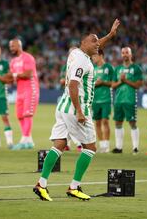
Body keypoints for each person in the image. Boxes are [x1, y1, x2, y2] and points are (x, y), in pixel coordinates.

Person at [33, 19, 120, 201]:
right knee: (90, 147)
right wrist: (80, 111)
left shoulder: (75, 53)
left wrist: (110, 36)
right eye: (93, 41)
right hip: (76, 107)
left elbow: (95, 46)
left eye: (98, 41)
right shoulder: (83, 62)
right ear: (83, 43)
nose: (97, 44)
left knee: (59, 145)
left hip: (63, 105)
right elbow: (73, 84)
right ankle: (74, 186)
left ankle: (41, 184)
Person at [9, 38, 40, 150]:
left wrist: (14, 75)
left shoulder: (28, 57)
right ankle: (29, 141)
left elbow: (28, 74)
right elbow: (11, 77)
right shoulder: (13, 61)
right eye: (10, 46)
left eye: (13, 46)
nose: (11, 48)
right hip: (20, 91)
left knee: (27, 114)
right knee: (19, 115)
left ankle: (23, 140)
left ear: (19, 46)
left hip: (30, 89)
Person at [112, 47, 143, 154]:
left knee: (132, 123)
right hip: (118, 100)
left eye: (127, 53)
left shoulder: (136, 68)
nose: (125, 54)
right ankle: (118, 147)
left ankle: (135, 147)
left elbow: (138, 85)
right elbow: (113, 85)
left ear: (131, 54)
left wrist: (126, 80)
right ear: (121, 55)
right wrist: (121, 81)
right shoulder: (117, 69)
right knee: (118, 123)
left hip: (130, 100)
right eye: (123, 53)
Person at [92, 49, 114, 153]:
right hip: (95, 99)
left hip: (106, 99)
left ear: (101, 55)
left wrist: (103, 82)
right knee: (97, 122)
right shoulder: (93, 68)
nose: (93, 58)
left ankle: (106, 144)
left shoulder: (108, 67)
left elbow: (113, 83)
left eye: (94, 56)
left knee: (105, 121)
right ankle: (101, 145)